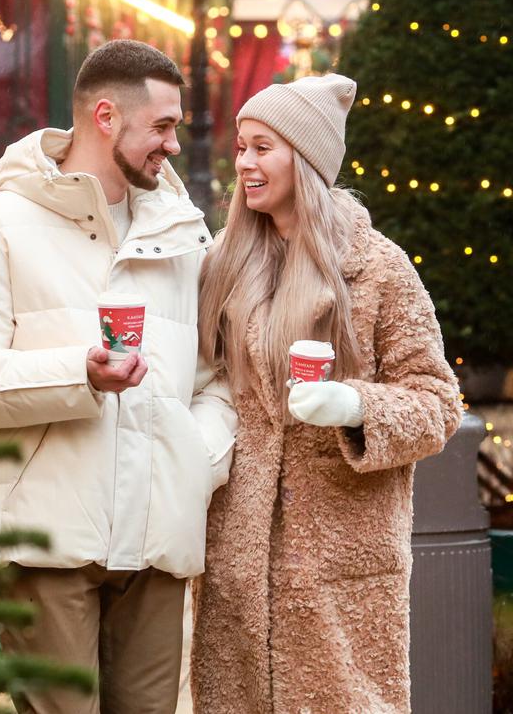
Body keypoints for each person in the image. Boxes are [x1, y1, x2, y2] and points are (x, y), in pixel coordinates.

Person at [0, 40, 239, 714]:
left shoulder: (188, 238)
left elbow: (220, 382)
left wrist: (194, 460)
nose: (173, 146)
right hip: (44, 542)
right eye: (162, 126)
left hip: (155, 541)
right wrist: (77, 374)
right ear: (104, 117)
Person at [191, 73, 462, 714]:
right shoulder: (223, 261)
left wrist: (354, 407)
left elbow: (437, 400)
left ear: (305, 158)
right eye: (241, 147)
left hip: (342, 556)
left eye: (263, 147)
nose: (245, 164)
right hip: (236, 550)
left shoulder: (377, 265)